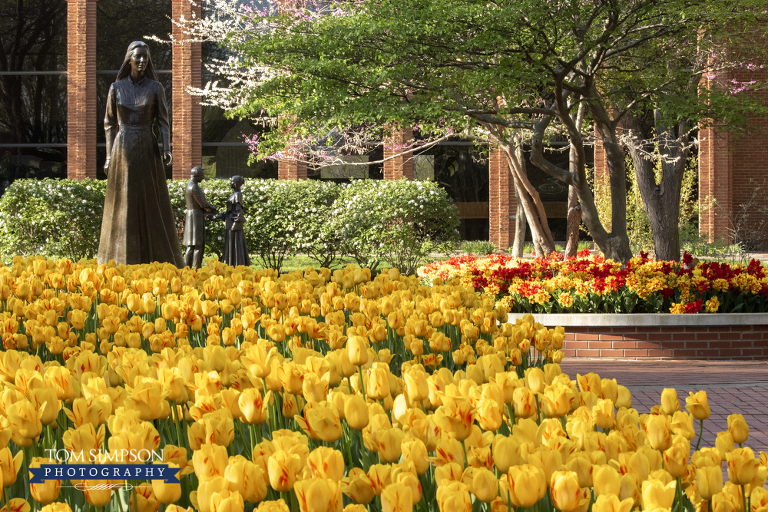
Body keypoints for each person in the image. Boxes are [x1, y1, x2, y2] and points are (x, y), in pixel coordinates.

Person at [97, 41, 183, 267]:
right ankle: (117, 257)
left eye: (146, 57)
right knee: (123, 199)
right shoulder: (116, 88)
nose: (142, 60)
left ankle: (155, 256)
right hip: (123, 146)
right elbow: (109, 124)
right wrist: (108, 156)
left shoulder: (156, 88)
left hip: (147, 145)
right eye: (138, 57)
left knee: (150, 200)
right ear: (129, 59)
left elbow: (164, 121)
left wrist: (166, 148)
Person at [183, 166, 217, 269]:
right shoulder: (194, 187)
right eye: (202, 175)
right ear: (197, 175)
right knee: (197, 245)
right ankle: (197, 269)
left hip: (191, 216)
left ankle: (186, 268)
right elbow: (203, 203)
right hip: (196, 217)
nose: (203, 177)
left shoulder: (189, 185)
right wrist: (212, 208)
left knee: (191, 245)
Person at [214, 175, 250, 267]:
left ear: (236, 184)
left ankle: (236, 265)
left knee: (235, 245)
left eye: (232, 181)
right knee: (231, 245)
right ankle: (231, 264)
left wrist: (235, 224)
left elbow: (239, 212)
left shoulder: (237, 195)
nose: (231, 183)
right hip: (230, 223)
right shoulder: (234, 195)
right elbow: (229, 211)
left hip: (233, 226)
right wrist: (217, 217)